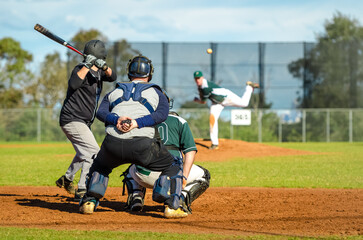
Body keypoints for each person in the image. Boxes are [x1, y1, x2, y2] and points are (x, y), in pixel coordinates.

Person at [79, 55, 188, 219]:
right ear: (149, 74)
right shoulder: (156, 92)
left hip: (112, 144)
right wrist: (137, 123)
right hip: (142, 145)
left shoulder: (115, 91)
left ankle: (89, 202)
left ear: (129, 73)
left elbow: (100, 113)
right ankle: (171, 206)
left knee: (100, 166)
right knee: (173, 165)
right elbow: (162, 114)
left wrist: (117, 120)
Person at [56, 40, 117, 201]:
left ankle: (67, 179)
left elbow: (113, 76)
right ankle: (82, 189)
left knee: (83, 152)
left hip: (83, 121)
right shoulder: (80, 69)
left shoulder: (99, 73)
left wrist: (105, 67)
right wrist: (87, 65)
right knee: (92, 153)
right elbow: (74, 84)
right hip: (72, 118)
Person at [122, 111, 210, 215]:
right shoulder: (179, 121)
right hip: (172, 178)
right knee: (204, 174)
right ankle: (180, 199)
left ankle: (136, 197)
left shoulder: (141, 120)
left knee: (131, 167)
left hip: (145, 177)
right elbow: (190, 152)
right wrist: (184, 177)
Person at [193, 71, 259, 150]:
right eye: (196, 79)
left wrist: (197, 100)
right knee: (212, 120)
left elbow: (203, 101)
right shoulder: (200, 86)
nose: (197, 80)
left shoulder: (205, 87)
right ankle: (215, 143)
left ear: (202, 78)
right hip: (216, 103)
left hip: (226, 97)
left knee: (244, 103)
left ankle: (249, 87)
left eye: (199, 78)